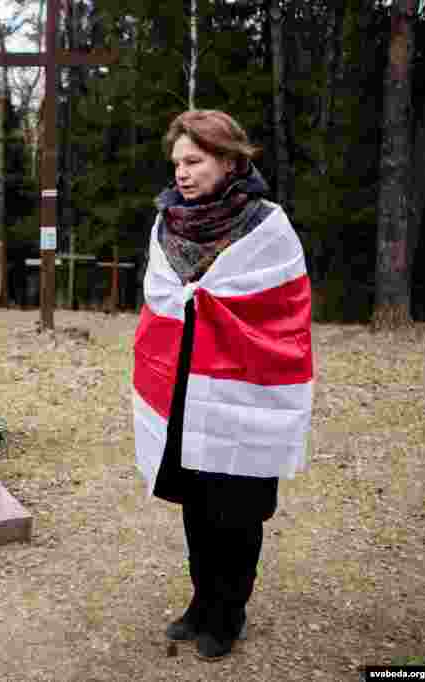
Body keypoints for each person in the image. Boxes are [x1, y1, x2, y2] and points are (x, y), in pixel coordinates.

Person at [132, 110, 314, 660]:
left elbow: (284, 304)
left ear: (229, 162)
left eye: (194, 161)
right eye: (177, 163)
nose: (182, 173)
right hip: (185, 381)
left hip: (243, 381)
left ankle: (228, 612)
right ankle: (201, 600)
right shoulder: (169, 223)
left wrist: (216, 305)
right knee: (196, 497)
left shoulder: (266, 225)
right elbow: (161, 294)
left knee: (234, 503)